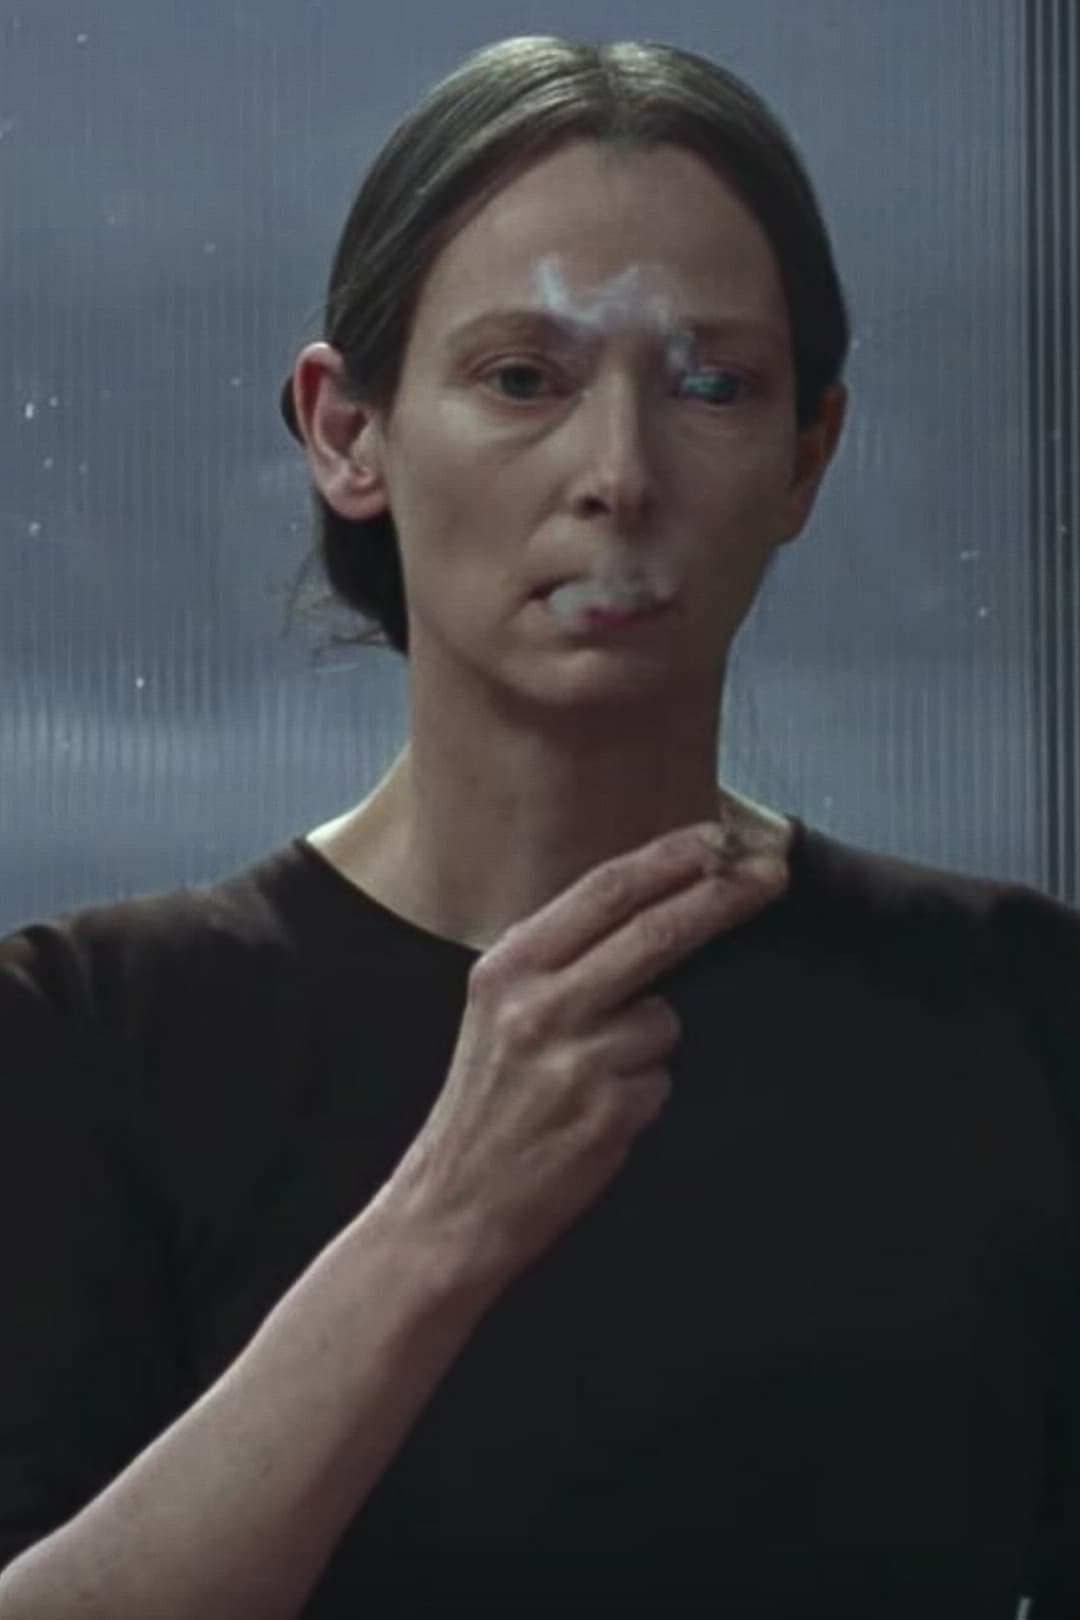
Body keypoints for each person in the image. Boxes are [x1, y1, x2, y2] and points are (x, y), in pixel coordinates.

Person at [0, 33, 1077, 1620]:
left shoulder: (1019, 1012)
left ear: (808, 457)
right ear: (347, 432)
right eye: (524, 378)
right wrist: (444, 1220)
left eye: (712, 384)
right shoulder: (88, 1036)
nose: (619, 475)